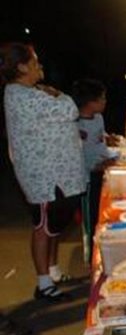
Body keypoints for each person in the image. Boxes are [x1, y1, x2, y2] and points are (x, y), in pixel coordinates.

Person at [1, 43, 86, 301]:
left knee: (53, 226)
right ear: (22, 67)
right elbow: (70, 110)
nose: (40, 66)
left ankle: (53, 270)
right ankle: (43, 284)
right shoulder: (23, 96)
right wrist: (59, 94)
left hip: (54, 173)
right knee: (43, 227)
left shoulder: (30, 92)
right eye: (35, 62)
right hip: (44, 176)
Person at [72, 78, 118, 260]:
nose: (105, 101)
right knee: (91, 217)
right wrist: (96, 167)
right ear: (90, 102)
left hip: (103, 167)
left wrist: (108, 138)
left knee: (102, 213)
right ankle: (91, 254)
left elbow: (98, 137)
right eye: (102, 98)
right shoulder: (75, 124)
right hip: (89, 176)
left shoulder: (98, 118)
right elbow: (78, 154)